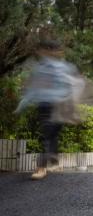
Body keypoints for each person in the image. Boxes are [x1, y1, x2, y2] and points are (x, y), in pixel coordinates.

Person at [15, 39, 80, 180]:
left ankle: (54, 161)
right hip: (45, 105)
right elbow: (33, 88)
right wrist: (22, 104)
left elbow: (72, 88)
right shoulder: (41, 68)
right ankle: (41, 167)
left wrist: (72, 109)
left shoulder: (66, 68)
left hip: (60, 106)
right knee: (48, 135)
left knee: (53, 134)